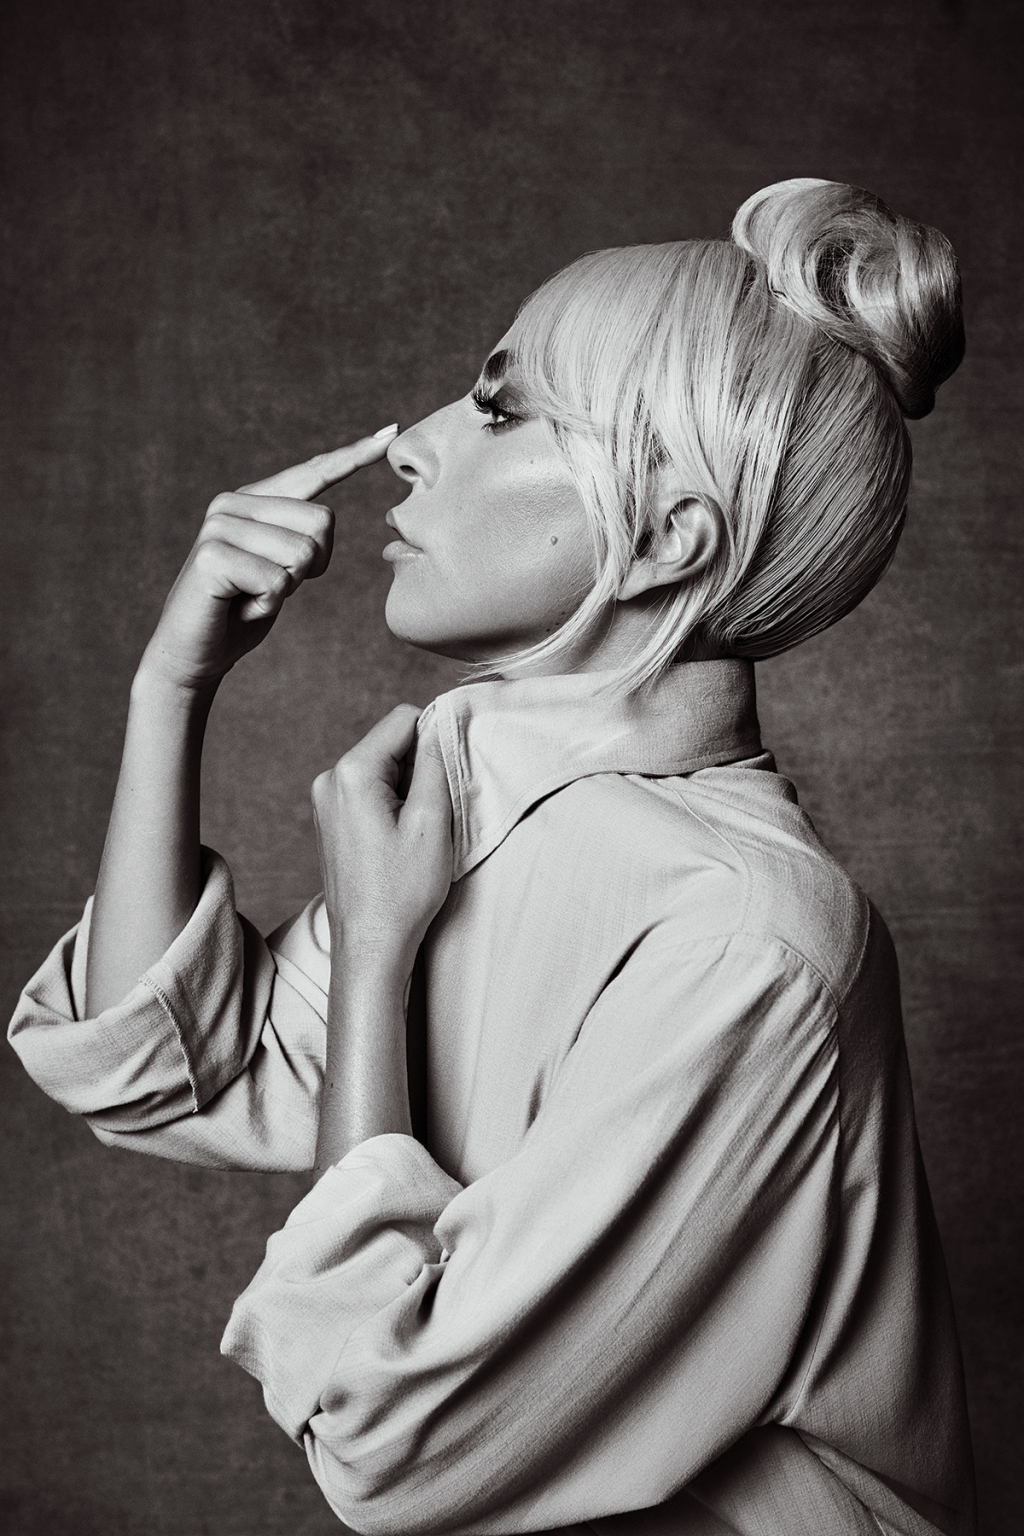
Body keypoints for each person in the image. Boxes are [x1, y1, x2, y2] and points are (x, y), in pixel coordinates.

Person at [9, 178, 975, 1536]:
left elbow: (391, 1439)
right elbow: (166, 1070)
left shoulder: (745, 940)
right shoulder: (494, 805)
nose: (412, 444)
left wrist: (379, 949)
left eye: (502, 408)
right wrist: (170, 688)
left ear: (668, 534)